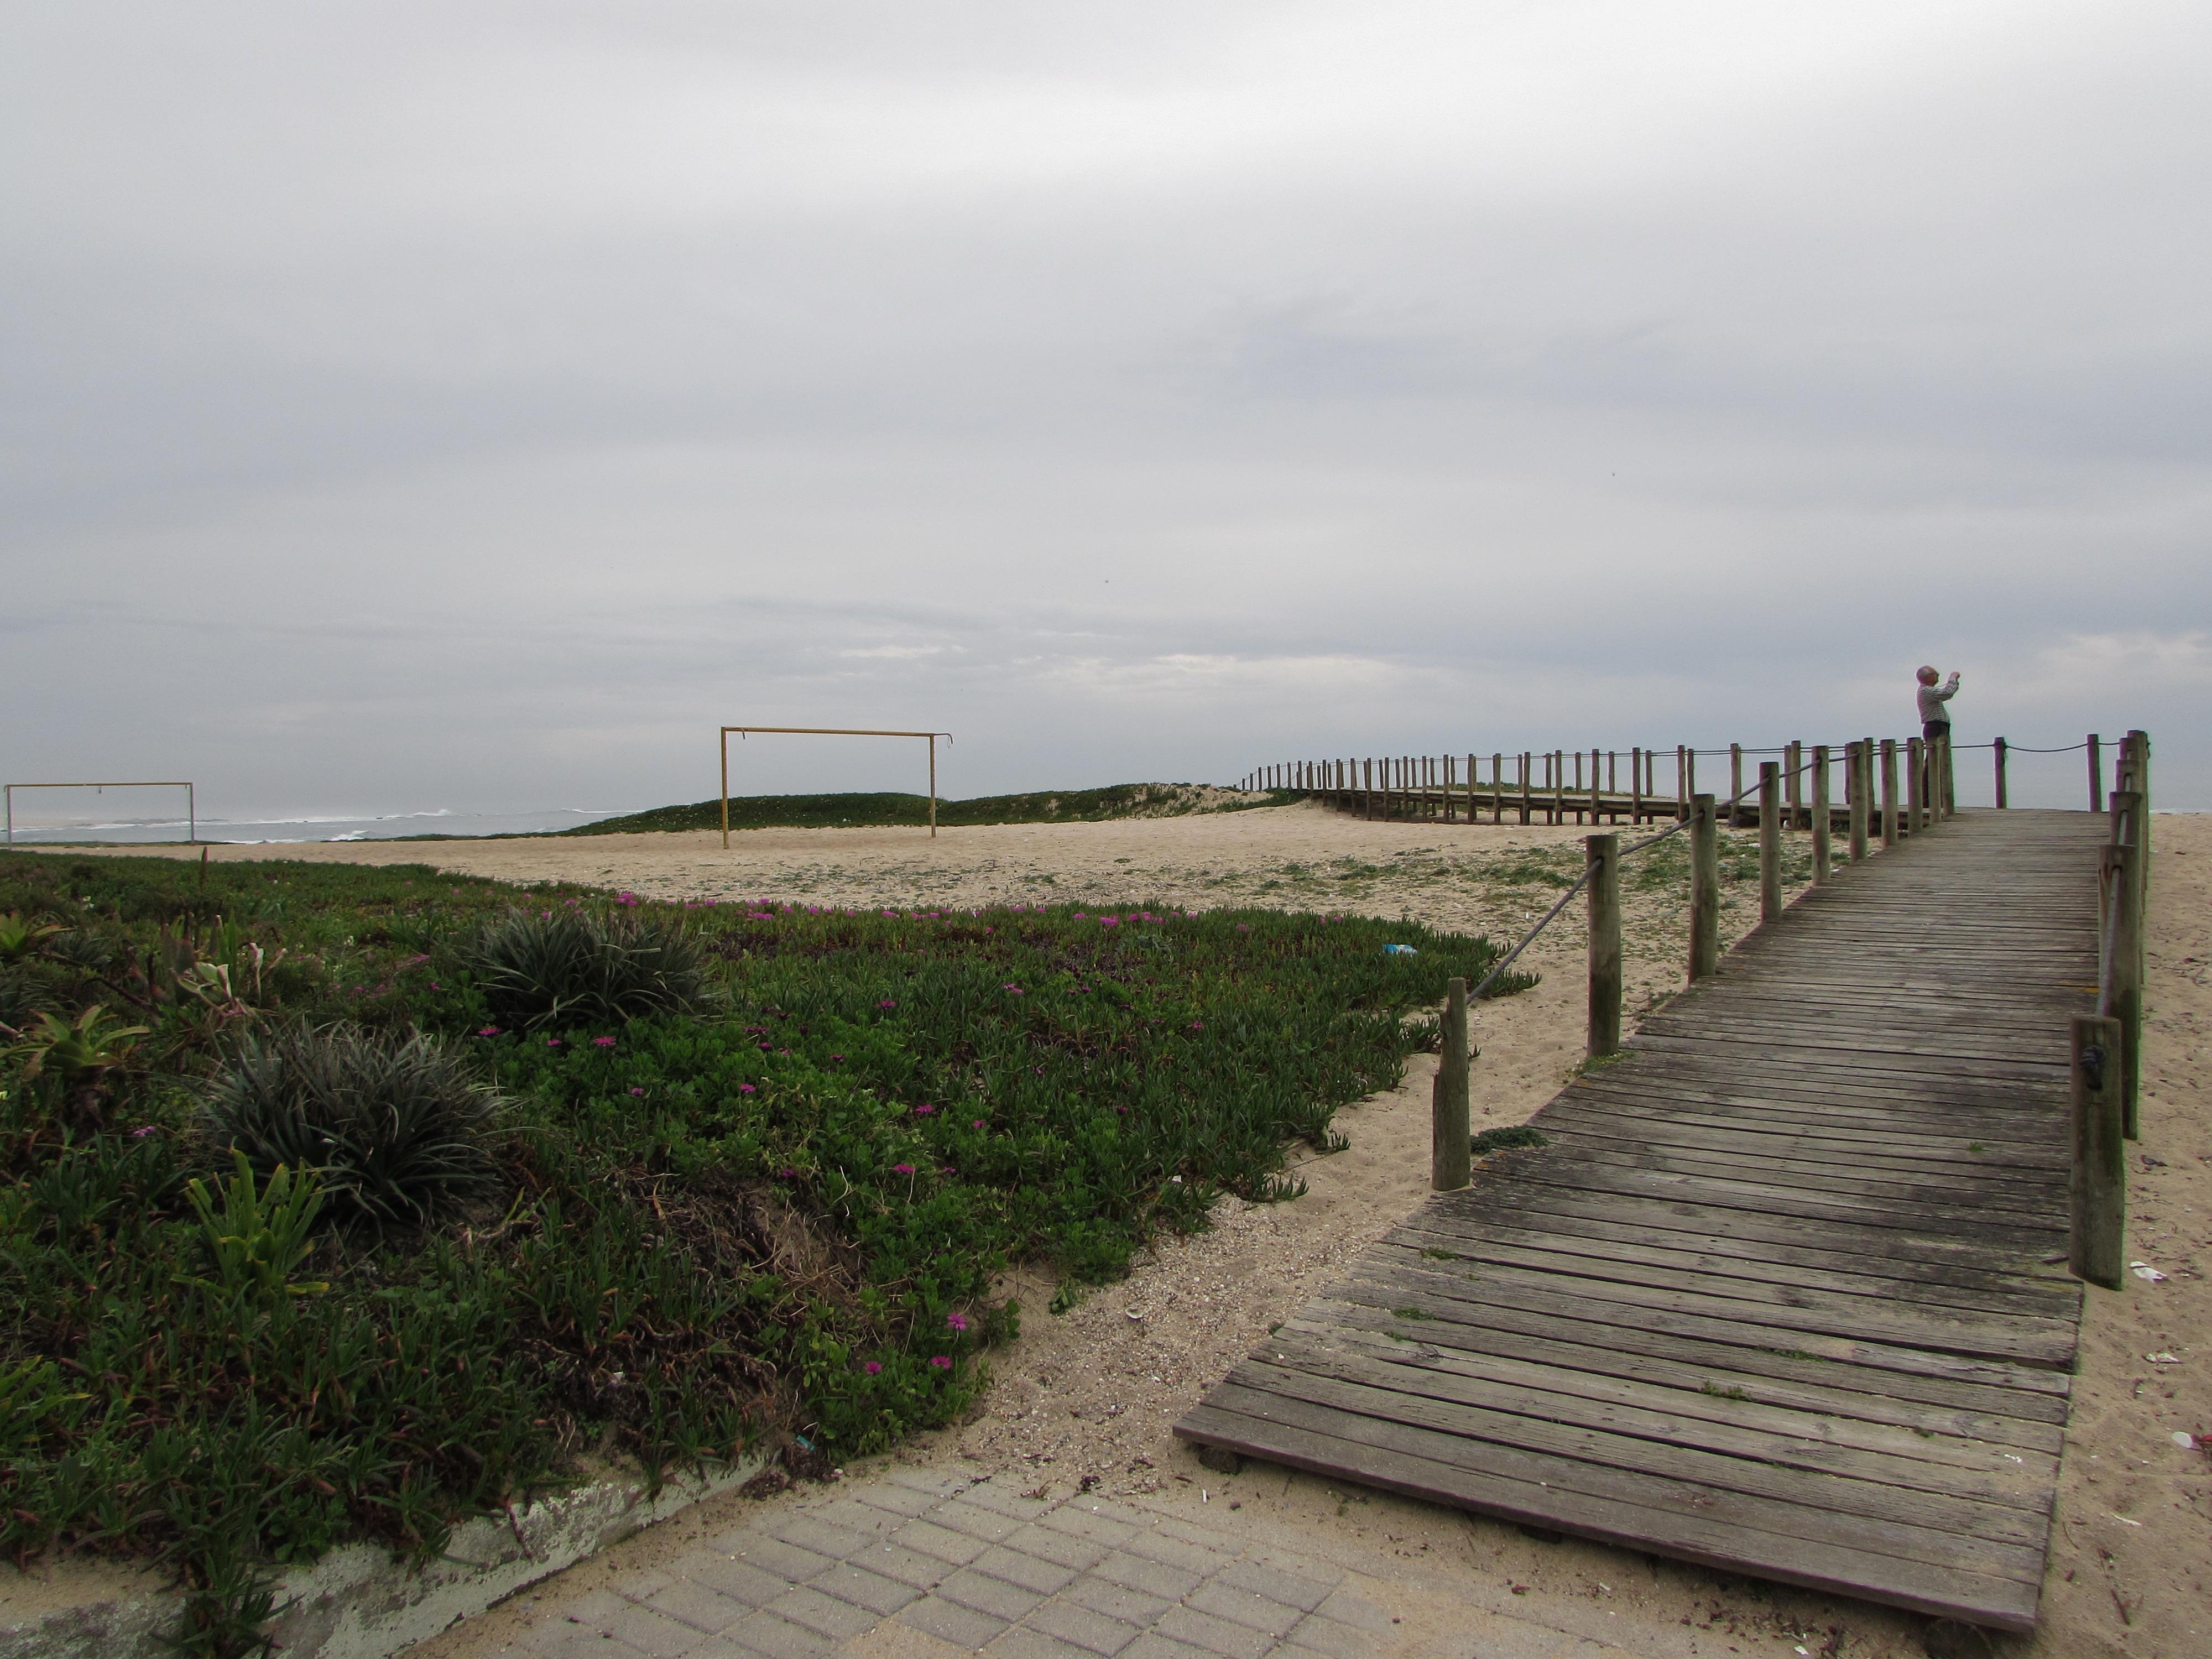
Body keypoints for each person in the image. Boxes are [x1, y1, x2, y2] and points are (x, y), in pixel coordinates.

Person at [1916, 665, 1960, 742]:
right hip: (1935, 726)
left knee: (1940, 751)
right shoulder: (1925, 690)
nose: (1938, 675)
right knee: (1937, 751)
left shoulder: (1927, 691)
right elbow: (1947, 693)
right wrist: (1953, 678)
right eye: (1934, 673)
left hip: (1937, 726)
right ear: (1928, 677)